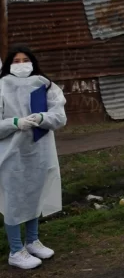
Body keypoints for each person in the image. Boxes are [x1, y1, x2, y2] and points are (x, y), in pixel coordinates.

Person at [0, 46, 67, 270]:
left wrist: (41, 117)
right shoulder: (1, 86)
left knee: (34, 194)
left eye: (25, 59)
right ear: (9, 64)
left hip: (40, 152)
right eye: (16, 60)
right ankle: (16, 250)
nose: (21, 64)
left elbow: (59, 117)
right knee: (13, 200)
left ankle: (32, 240)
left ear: (33, 62)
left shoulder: (45, 85)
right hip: (11, 154)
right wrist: (14, 123)